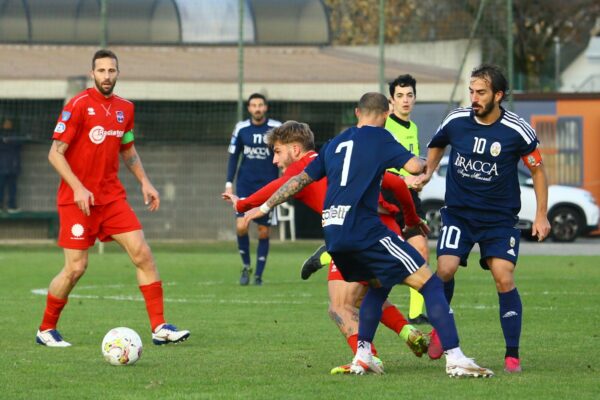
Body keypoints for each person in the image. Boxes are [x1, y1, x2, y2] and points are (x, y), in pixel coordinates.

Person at [243, 93, 493, 377]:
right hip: (365, 231)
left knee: (376, 286)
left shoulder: (334, 143)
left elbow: (298, 180)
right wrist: (431, 160)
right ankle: (456, 358)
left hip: (334, 236)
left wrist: (261, 207)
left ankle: (364, 356)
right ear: (386, 113)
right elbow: (414, 167)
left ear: (356, 112)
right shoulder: (381, 139)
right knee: (431, 284)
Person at [222, 121, 430, 374]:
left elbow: (277, 188)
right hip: (383, 227)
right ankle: (408, 332)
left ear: (296, 149)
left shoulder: (304, 169)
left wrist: (243, 204)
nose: (274, 161)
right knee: (364, 295)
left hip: (358, 234)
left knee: (339, 305)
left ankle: (368, 357)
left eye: (277, 152)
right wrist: (411, 221)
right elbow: (397, 184)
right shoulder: (339, 156)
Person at [36, 49, 190, 347]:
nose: (107, 76)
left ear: (118, 73)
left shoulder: (125, 109)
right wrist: (79, 187)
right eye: (102, 71)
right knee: (76, 268)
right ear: (92, 73)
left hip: (111, 199)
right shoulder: (77, 105)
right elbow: (54, 153)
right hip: (76, 200)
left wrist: (145, 182)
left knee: (143, 254)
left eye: (112, 71)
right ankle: (46, 329)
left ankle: (159, 327)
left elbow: (128, 150)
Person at [414, 64, 551, 373]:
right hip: (459, 214)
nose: (474, 98)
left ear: (498, 95)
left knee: (504, 277)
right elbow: (437, 143)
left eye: (481, 93)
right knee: (445, 269)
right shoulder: (457, 120)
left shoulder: (517, 130)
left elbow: (539, 171)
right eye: (471, 92)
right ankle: (440, 328)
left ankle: (512, 355)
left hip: (499, 220)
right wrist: (428, 173)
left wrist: (541, 215)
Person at [385, 74, 429, 325]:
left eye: (409, 95)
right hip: (389, 194)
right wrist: (404, 181)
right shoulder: (385, 127)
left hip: (409, 196)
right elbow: (384, 168)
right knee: (381, 251)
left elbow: (411, 165)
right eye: (399, 96)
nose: (405, 100)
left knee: (421, 248)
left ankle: (415, 312)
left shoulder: (412, 128)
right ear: (391, 100)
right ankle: (328, 255)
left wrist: (420, 178)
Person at [225, 93, 281, 286]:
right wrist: (228, 183)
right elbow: (233, 157)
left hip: (269, 187)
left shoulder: (276, 128)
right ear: (249, 108)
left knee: (264, 232)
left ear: (265, 107)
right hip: (245, 186)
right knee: (241, 226)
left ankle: (258, 275)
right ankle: (246, 266)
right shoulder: (241, 129)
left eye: (260, 105)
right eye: (253, 105)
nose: (257, 108)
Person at [0, 117, 22, 213]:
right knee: (1, 187)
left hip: (13, 165)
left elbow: (19, 143)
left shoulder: (16, 134)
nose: (7, 125)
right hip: (2, 166)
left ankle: (11, 206)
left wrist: (9, 141)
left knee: (12, 187)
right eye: (6, 123)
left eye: (9, 123)